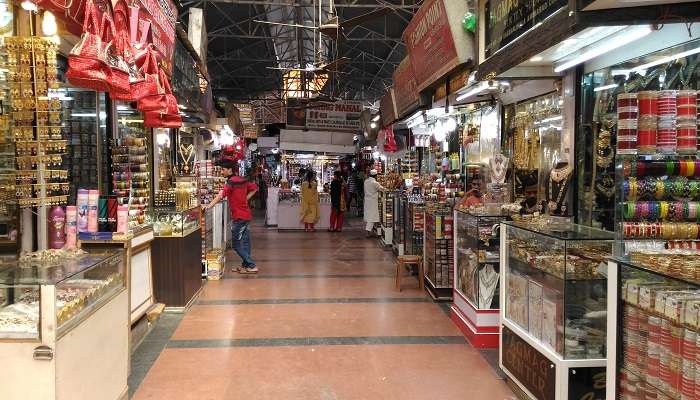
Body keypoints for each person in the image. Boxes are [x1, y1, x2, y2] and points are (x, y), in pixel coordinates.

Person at [205, 159, 259, 274]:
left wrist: (209, 206)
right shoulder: (242, 180)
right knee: (245, 242)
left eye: (223, 170)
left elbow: (221, 195)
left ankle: (252, 265)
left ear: (230, 170)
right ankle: (246, 266)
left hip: (239, 217)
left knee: (236, 244)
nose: (222, 172)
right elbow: (255, 188)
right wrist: (245, 198)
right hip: (246, 215)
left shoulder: (231, 182)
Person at [363, 169, 383, 237]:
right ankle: (368, 232)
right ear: (375, 176)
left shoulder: (366, 181)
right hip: (373, 201)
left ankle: (374, 230)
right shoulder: (375, 183)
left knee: (369, 216)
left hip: (367, 201)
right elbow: (382, 189)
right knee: (372, 217)